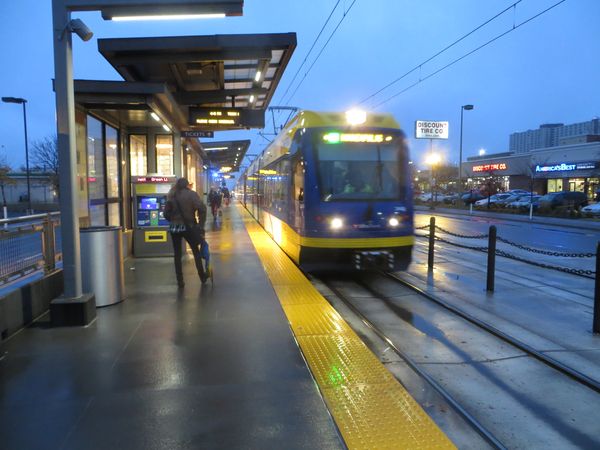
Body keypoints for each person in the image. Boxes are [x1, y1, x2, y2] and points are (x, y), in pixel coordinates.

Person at [167, 177, 208, 288]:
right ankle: (202, 276)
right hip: (189, 227)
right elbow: (202, 209)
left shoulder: (171, 195)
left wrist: (173, 218)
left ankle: (180, 281)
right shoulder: (191, 194)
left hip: (175, 228)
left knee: (177, 254)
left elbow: (166, 213)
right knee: (195, 251)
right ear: (187, 185)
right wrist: (200, 225)